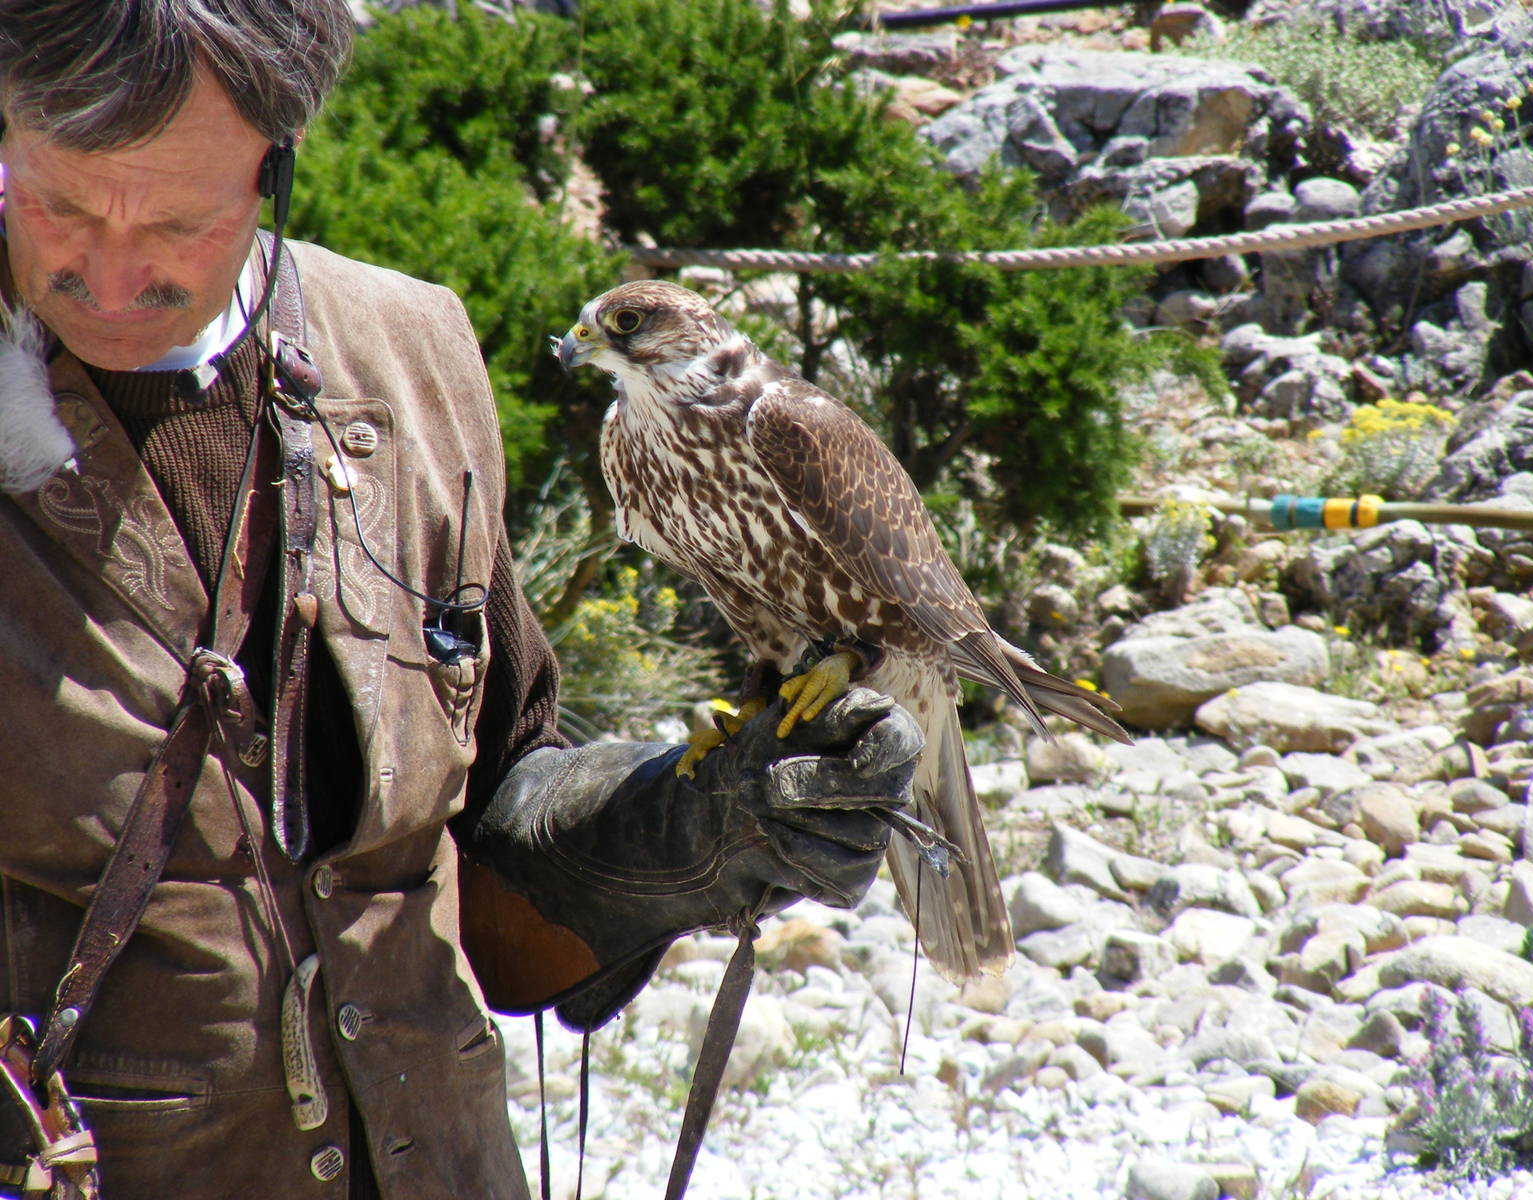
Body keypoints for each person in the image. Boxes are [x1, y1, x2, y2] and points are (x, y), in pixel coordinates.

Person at [0, 3, 921, 1197]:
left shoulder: (407, 353)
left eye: (178, 221)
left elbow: (485, 834)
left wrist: (692, 826)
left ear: (276, 164)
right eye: (60, 203)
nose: (112, 273)